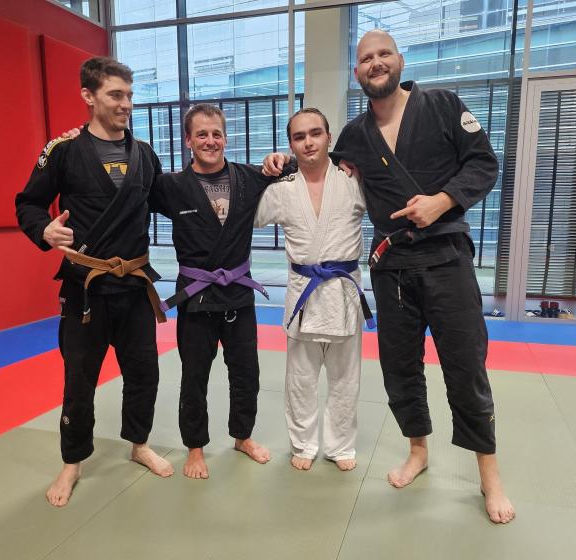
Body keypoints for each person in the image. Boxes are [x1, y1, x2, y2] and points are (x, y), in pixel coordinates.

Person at [265, 30, 515, 524]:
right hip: (392, 265)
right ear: (357, 71)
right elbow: (323, 166)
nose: (375, 63)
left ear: (399, 60)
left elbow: (484, 163)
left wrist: (443, 200)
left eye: (383, 54)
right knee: (400, 367)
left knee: (465, 366)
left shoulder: (443, 106)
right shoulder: (356, 135)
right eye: (365, 59)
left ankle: (489, 473)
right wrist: (283, 162)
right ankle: (418, 450)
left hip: (446, 257)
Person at [15, 57, 173, 508]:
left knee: (144, 372)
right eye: (115, 95)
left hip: (134, 284)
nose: (127, 104)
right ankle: (72, 461)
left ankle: (139, 443)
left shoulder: (145, 154)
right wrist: (44, 230)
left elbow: (172, 199)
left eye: (130, 95)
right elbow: (28, 203)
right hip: (85, 286)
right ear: (88, 96)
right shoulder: (63, 151)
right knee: (79, 379)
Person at [150, 104, 276, 479]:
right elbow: (129, 189)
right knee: (194, 377)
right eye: (201, 134)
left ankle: (242, 436)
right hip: (196, 298)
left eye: (216, 133)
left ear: (226, 137)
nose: (210, 141)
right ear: (188, 140)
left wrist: (280, 159)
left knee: (246, 373)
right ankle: (195, 448)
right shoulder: (172, 187)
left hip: (238, 294)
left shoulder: (249, 177)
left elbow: (295, 168)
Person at [255, 108, 370, 472]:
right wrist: (264, 171)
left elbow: (388, 200)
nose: (308, 142)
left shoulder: (354, 181)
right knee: (300, 380)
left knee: (345, 379)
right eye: (299, 136)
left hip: (343, 294)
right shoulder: (283, 190)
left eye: (315, 133)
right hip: (303, 293)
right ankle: (303, 443)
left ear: (329, 137)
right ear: (290, 145)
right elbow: (248, 215)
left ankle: (340, 445)